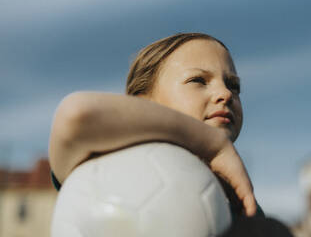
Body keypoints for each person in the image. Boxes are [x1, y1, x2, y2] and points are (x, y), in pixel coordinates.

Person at [49, 33, 293, 236]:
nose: (225, 93)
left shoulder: (243, 207)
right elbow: (76, 114)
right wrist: (213, 144)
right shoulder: (104, 165)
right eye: (198, 80)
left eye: (233, 85)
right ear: (141, 103)